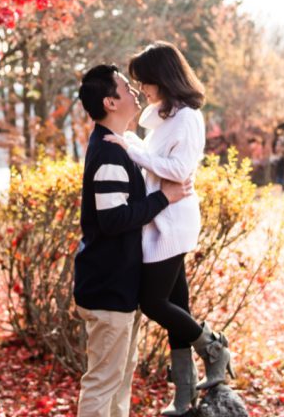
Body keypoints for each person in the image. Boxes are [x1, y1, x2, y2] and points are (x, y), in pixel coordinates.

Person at [104, 42, 233, 416]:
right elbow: (152, 151)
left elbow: (179, 170)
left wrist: (131, 149)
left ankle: (213, 348)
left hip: (173, 221)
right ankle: (183, 398)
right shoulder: (166, 115)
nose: (141, 88)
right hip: (162, 219)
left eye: (145, 80)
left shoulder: (188, 117)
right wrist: (132, 140)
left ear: (162, 77)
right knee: (177, 306)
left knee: (153, 302)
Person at [74, 64, 192, 417]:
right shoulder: (109, 153)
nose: (136, 91)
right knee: (103, 383)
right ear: (110, 102)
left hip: (119, 288)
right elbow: (113, 219)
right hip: (107, 290)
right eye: (126, 87)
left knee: (119, 381)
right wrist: (163, 198)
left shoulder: (117, 145)